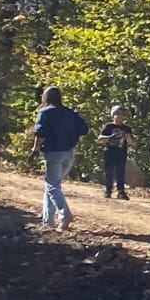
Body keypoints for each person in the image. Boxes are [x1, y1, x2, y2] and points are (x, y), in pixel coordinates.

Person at [30, 86, 88, 230]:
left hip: (53, 153)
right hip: (69, 153)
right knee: (52, 185)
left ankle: (64, 214)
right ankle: (48, 221)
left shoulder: (44, 112)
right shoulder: (70, 113)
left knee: (52, 186)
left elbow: (40, 133)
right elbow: (84, 129)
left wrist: (35, 150)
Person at [99, 105, 133, 200]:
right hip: (109, 152)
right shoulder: (108, 126)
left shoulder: (126, 128)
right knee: (108, 171)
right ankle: (108, 190)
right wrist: (110, 137)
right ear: (113, 115)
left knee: (120, 172)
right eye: (118, 114)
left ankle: (121, 191)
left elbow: (131, 143)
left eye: (122, 114)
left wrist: (128, 136)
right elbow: (100, 139)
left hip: (121, 152)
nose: (120, 116)